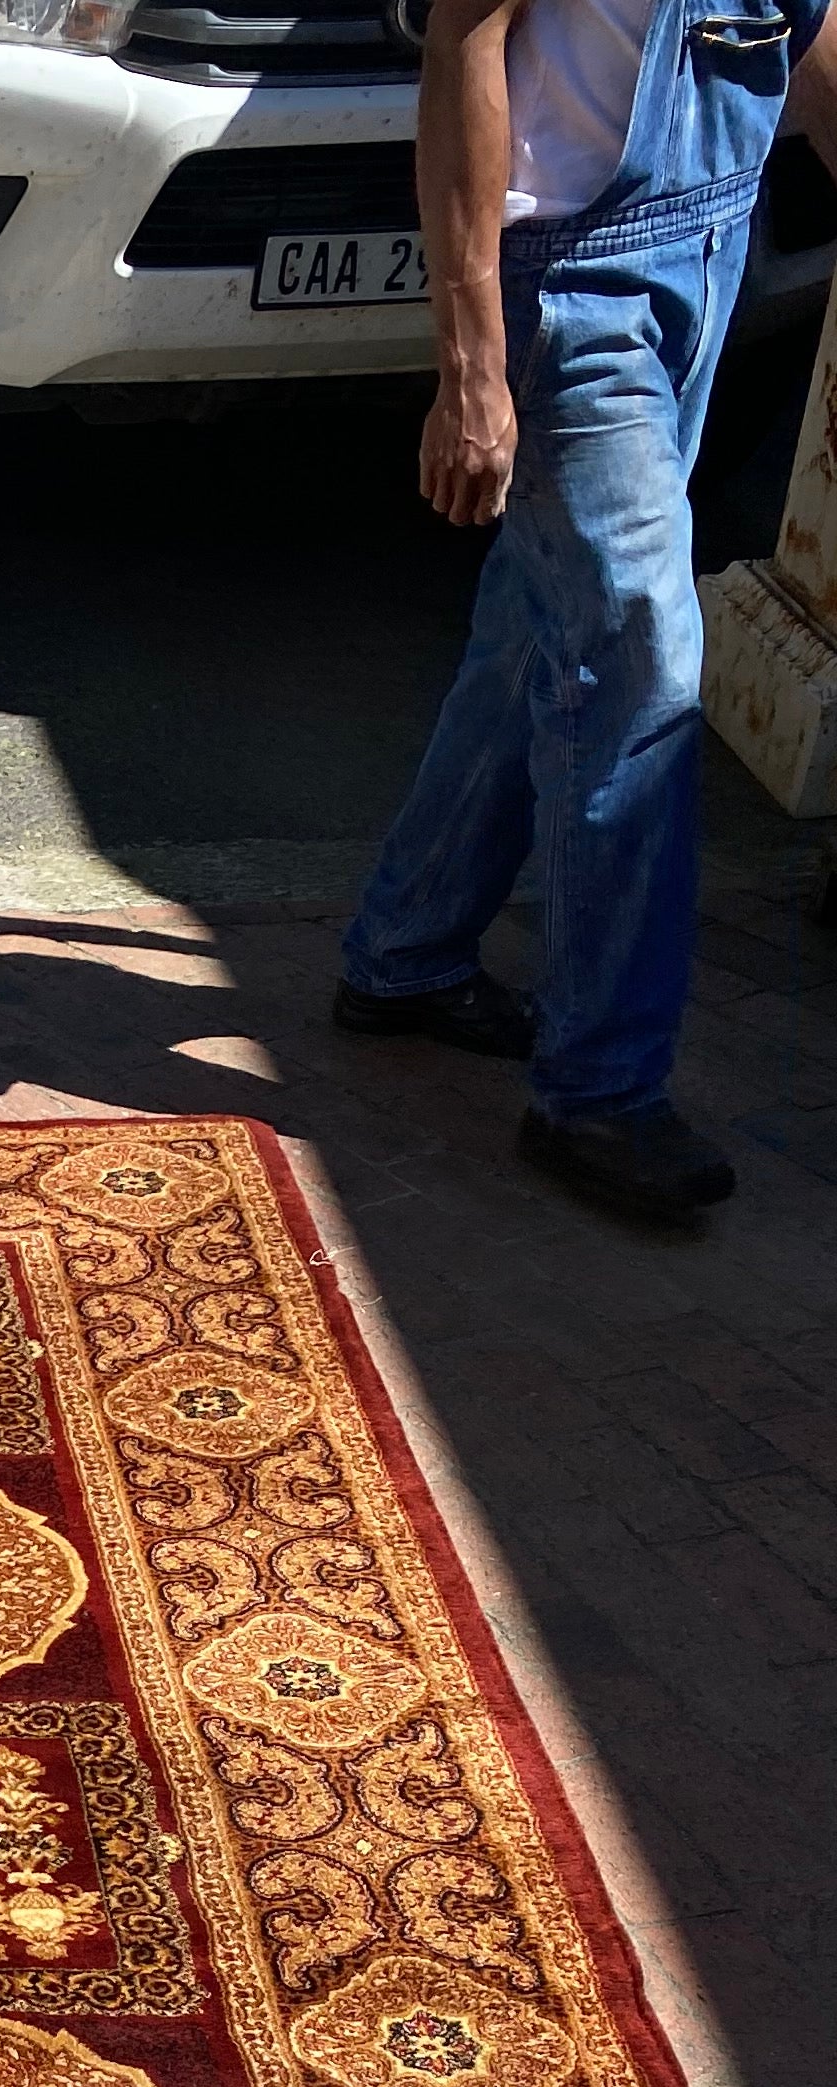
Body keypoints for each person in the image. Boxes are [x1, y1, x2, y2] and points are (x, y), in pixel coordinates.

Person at [333, 0, 837, 1221]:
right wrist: (472, 364)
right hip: (570, 287)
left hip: (708, 257)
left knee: (537, 633)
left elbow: (801, 33)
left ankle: (408, 953)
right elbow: (463, 38)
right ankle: (602, 1091)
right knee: (641, 662)